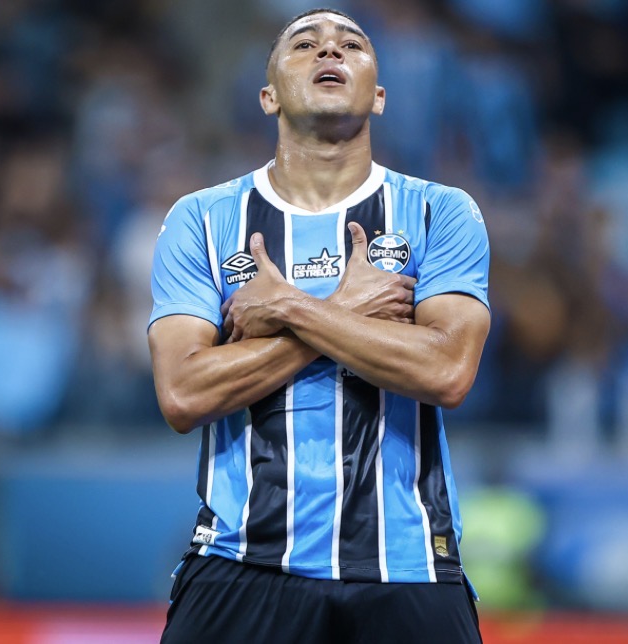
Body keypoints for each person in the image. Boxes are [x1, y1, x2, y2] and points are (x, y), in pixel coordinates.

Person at [147, 8, 491, 643]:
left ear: (379, 96)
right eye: (305, 44)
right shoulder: (201, 219)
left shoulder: (441, 212)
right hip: (240, 563)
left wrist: (292, 308)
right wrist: (352, 309)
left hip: (406, 567)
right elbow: (183, 393)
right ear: (268, 96)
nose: (330, 51)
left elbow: (446, 371)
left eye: (351, 45)